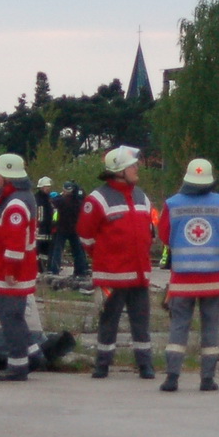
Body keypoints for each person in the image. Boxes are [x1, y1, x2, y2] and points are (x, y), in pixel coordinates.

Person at [160, 158, 219, 393]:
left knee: (178, 326)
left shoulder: (172, 204)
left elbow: (165, 237)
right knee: (210, 327)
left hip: (182, 280)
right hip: (214, 279)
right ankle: (207, 379)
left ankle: (172, 378)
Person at [77, 145, 156, 379]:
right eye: (132, 166)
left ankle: (145, 364)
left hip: (139, 273)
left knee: (141, 321)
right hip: (111, 275)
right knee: (108, 320)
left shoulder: (141, 195)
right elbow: (85, 236)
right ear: (119, 171)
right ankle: (102, 364)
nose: (137, 168)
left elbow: (149, 229)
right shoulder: (97, 199)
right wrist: (105, 257)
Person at [0, 153, 44, 382]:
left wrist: (10, 271)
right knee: (9, 312)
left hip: (13, 272)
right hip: (14, 270)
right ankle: (32, 354)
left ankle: (17, 365)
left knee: (10, 315)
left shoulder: (15, 203)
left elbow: (15, 242)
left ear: (7, 177)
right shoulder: (17, 198)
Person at [47, 178, 91, 284]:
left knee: (58, 250)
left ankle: (54, 270)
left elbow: (53, 201)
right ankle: (81, 271)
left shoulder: (62, 200)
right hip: (75, 228)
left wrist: (60, 195)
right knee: (77, 251)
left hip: (62, 228)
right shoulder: (78, 201)